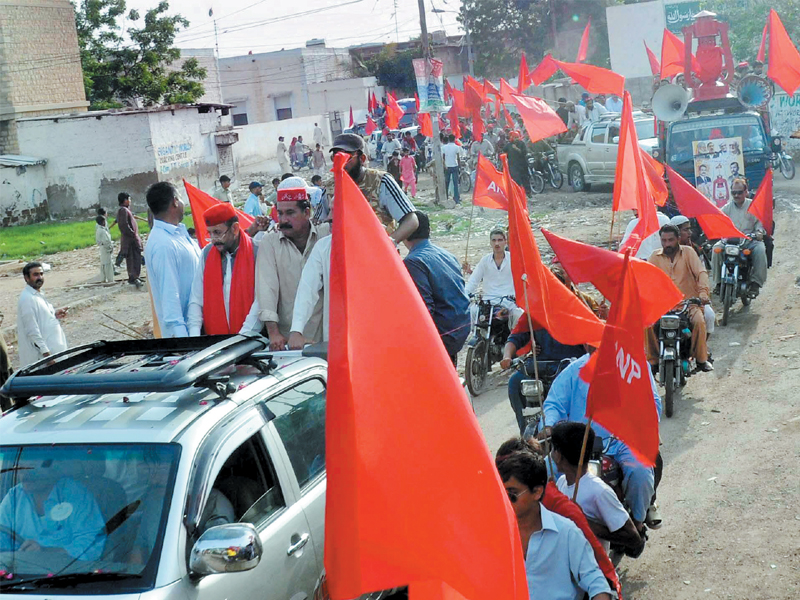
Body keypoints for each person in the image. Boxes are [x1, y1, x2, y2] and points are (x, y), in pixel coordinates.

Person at [543, 352, 663, 532]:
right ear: (585, 344)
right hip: (581, 444)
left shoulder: (634, 365)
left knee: (641, 473)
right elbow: (553, 404)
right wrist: (549, 426)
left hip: (624, 441)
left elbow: (652, 402)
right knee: (545, 469)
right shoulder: (573, 371)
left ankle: (637, 521)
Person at [495, 451, 613, 600]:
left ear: (537, 492)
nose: (504, 500)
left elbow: (595, 581)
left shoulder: (567, 532)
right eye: (500, 492)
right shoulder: (493, 535)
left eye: (512, 494)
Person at [256, 184, 331, 350]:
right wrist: (273, 333)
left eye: (290, 213)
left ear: (307, 213)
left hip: (324, 336)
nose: (283, 220)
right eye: (280, 213)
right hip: (287, 341)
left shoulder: (325, 237)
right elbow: (267, 289)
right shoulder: (270, 243)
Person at [551, 422, 643, 556]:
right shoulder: (561, 483)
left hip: (596, 570)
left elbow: (633, 538)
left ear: (558, 455)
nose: (551, 454)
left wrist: (584, 522)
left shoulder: (598, 491)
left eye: (553, 449)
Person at [0, 450, 106, 560]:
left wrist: (46, 552)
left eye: (32, 469)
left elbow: (91, 545)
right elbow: (2, 536)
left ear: (53, 468)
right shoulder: (14, 496)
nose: (25, 477)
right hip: (19, 571)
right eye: (21, 470)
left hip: (67, 572)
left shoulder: (75, 494)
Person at [323, 133, 419, 243]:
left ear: (362, 158)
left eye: (346, 158)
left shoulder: (381, 181)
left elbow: (411, 220)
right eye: (336, 158)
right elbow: (319, 225)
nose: (341, 164)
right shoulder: (329, 187)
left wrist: (389, 243)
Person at [403, 212, 470, 365]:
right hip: (460, 329)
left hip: (441, 336)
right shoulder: (447, 255)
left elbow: (424, 309)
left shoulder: (414, 261)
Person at [500, 317, 586, 435]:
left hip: (568, 368)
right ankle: (524, 430)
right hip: (540, 366)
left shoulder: (575, 310)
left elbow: (590, 339)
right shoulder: (534, 313)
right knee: (515, 381)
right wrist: (507, 357)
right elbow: (516, 337)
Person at [187, 203, 261, 337]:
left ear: (235, 228)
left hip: (252, 339)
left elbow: (261, 301)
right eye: (209, 233)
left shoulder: (257, 252)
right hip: (215, 341)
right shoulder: (207, 253)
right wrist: (194, 336)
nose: (214, 240)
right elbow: (196, 300)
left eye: (218, 233)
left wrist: (242, 338)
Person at [647, 224, 713, 371]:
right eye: (664, 240)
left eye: (670, 240)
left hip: (688, 303)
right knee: (648, 324)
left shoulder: (688, 253)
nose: (667, 244)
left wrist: (702, 294)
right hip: (662, 305)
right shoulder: (654, 257)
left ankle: (701, 359)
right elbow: (646, 278)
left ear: (677, 239)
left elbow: (701, 273)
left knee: (699, 322)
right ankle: (653, 360)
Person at [144, 181, 202, 338]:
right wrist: (185, 344)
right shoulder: (163, 244)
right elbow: (170, 297)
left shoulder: (179, 235)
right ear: (175, 201)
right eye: (181, 198)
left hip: (199, 326)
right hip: (188, 335)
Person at [712, 178, 768, 295]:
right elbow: (718, 219)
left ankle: (756, 283)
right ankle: (718, 283)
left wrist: (758, 233)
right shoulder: (727, 208)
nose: (736, 195)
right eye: (734, 193)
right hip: (730, 241)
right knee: (716, 249)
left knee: (760, 249)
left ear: (746, 191)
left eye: (739, 192)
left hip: (749, 240)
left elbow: (760, 223)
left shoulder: (753, 206)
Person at [464, 228, 522, 327]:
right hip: (488, 300)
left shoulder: (514, 259)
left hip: (508, 301)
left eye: (500, 240)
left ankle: (514, 340)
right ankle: (477, 336)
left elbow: (524, 277)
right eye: (494, 240)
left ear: (505, 242)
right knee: (473, 310)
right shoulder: (485, 260)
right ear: (490, 243)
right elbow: (474, 280)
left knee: (519, 314)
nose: (497, 243)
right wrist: (465, 294)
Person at [16, 262, 68, 368]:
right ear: (26, 278)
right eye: (35, 275)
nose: (39, 277)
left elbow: (41, 319)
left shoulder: (38, 294)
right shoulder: (27, 299)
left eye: (41, 274)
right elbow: (32, 331)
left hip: (56, 355)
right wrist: (47, 356)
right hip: (45, 360)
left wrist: (54, 314)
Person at [670, 214, 715, 336]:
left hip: (692, 298)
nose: (690, 233)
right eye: (686, 229)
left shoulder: (695, 249)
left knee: (709, 316)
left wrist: (703, 294)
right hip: (669, 299)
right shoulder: (664, 251)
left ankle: (702, 348)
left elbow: (702, 273)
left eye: (689, 229)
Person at [289, 232, 332, 348]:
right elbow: (307, 288)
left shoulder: (381, 243)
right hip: (335, 337)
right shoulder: (324, 246)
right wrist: (296, 330)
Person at [114, 192, 144, 288]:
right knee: (131, 259)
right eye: (129, 199)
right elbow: (124, 226)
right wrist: (133, 235)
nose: (130, 201)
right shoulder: (123, 211)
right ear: (125, 200)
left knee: (136, 258)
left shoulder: (127, 210)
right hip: (130, 240)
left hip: (133, 239)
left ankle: (136, 276)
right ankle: (133, 278)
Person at [506, 131, 530, 195]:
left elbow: (524, 153)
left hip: (522, 164)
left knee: (525, 178)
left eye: (517, 137)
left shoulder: (522, 143)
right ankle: (517, 192)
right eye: (515, 137)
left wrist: (516, 149)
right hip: (513, 165)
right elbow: (504, 151)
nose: (516, 139)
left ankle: (527, 192)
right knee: (515, 179)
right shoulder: (509, 145)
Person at [441, 134, 462, 204]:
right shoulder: (457, 147)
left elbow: (443, 158)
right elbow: (458, 158)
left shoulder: (444, 147)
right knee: (455, 183)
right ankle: (456, 198)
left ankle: (446, 197)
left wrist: (444, 166)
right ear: (454, 139)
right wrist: (459, 166)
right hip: (454, 165)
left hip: (447, 166)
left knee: (446, 182)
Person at [95, 212, 115, 283]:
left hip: (102, 248)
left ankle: (103, 279)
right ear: (103, 222)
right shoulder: (102, 231)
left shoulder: (98, 230)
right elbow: (106, 242)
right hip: (106, 249)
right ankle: (110, 279)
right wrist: (110, 248)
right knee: (108, 265)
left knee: (103, 264)